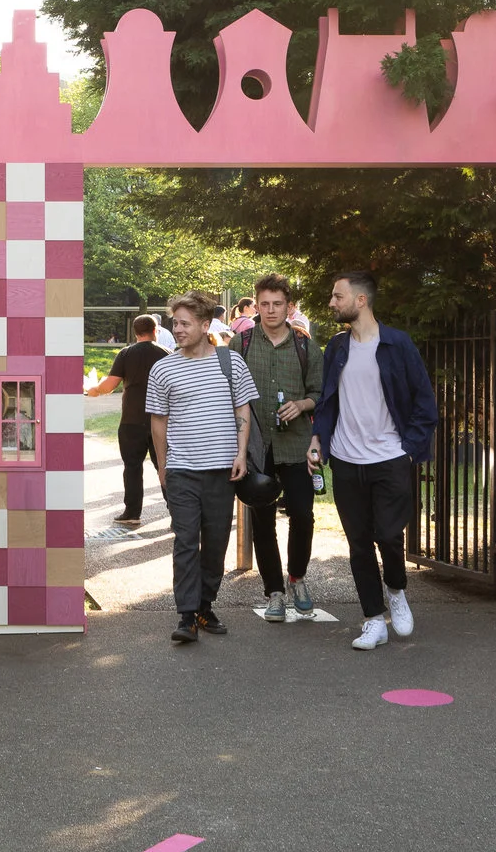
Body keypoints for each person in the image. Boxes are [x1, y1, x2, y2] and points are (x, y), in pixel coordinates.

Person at [307, 270, 439, 650]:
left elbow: (424, 402)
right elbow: (328, 400)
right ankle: (373, 620)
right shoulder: (337, 347)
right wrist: (318, 439)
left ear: (360, 300)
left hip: (389, 457)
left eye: (338, 296)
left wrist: (408, 448)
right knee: (359, 543)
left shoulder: (397, 344)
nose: (331, 302)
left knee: (389, 535)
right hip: (346, 459)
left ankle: (396, 590)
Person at [144, 293, 256, 645]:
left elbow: (242, 408)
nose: (177, 329)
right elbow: (158, 420)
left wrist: (241, 454)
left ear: (206, 325)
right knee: (186, 541)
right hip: (182, 471)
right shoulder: (163, 368)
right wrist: (163, 465)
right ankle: (187, 615)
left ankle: (206, 606)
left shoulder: (231, 362)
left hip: (222, 470)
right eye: (174, 323)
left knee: (216, 542)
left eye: (185, 323)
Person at [240, 274, 324, 621]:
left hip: (297, 444)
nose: (271, 310)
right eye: (265, 304)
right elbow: (230, 392)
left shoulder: (306, 346)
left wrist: (301, 404)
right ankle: (274, 591)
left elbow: (320, 394)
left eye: (278, 304)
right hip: (257, 446)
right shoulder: (242, 343)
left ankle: (297, 578)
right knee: (263, 522)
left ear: (290, 307)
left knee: (302, 514)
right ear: (257, 306)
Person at [86, 314, 166, 526]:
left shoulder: (126, 353)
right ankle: (177, 511)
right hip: (161, 419)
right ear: (155, 330)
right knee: (165, 466)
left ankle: (132, 512)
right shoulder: (167, 354)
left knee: (132, 467)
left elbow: (110, 385)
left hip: (132, 419)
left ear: (135, 332)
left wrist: (95, 390)